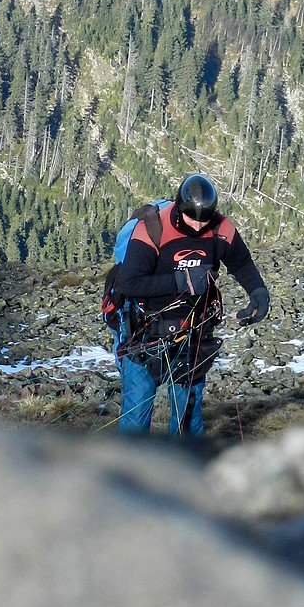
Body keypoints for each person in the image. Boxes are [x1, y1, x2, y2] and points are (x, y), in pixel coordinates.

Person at [115, 173, 269, 438]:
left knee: (187, 417)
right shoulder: (153, 229)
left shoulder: (220, 229)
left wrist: (258, 293)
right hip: (146, 332)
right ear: (179, 207)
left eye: (204, 220)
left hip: (194, 335)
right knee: (136, 416)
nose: (198, 226)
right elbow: (129, 283)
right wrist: (182, 280)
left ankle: (186, 460)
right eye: (191, 219)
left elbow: (241, 262)